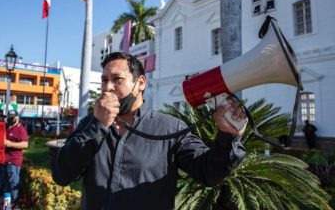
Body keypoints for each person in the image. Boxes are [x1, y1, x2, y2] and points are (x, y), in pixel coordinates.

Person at [51, 52, 247, 209]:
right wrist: (98, 126)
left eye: (117, 79)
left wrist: (228, 136)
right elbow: (62, 175)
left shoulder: (170, 127)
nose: (107, 88)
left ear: (141, 83)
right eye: (104, 80)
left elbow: (209, 173)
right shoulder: (90, 124)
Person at [1, 110, 29, 207]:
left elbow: (25, 144)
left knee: (13, 183)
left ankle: (14, 204)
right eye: (9, 117)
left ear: (17, 118)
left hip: (14, 160)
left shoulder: (21, 129)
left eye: (12, 117)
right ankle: (7, 204)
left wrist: (11, 144)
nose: (10, 119)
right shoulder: (8, 127)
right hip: (5, 159)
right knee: (7, 184)